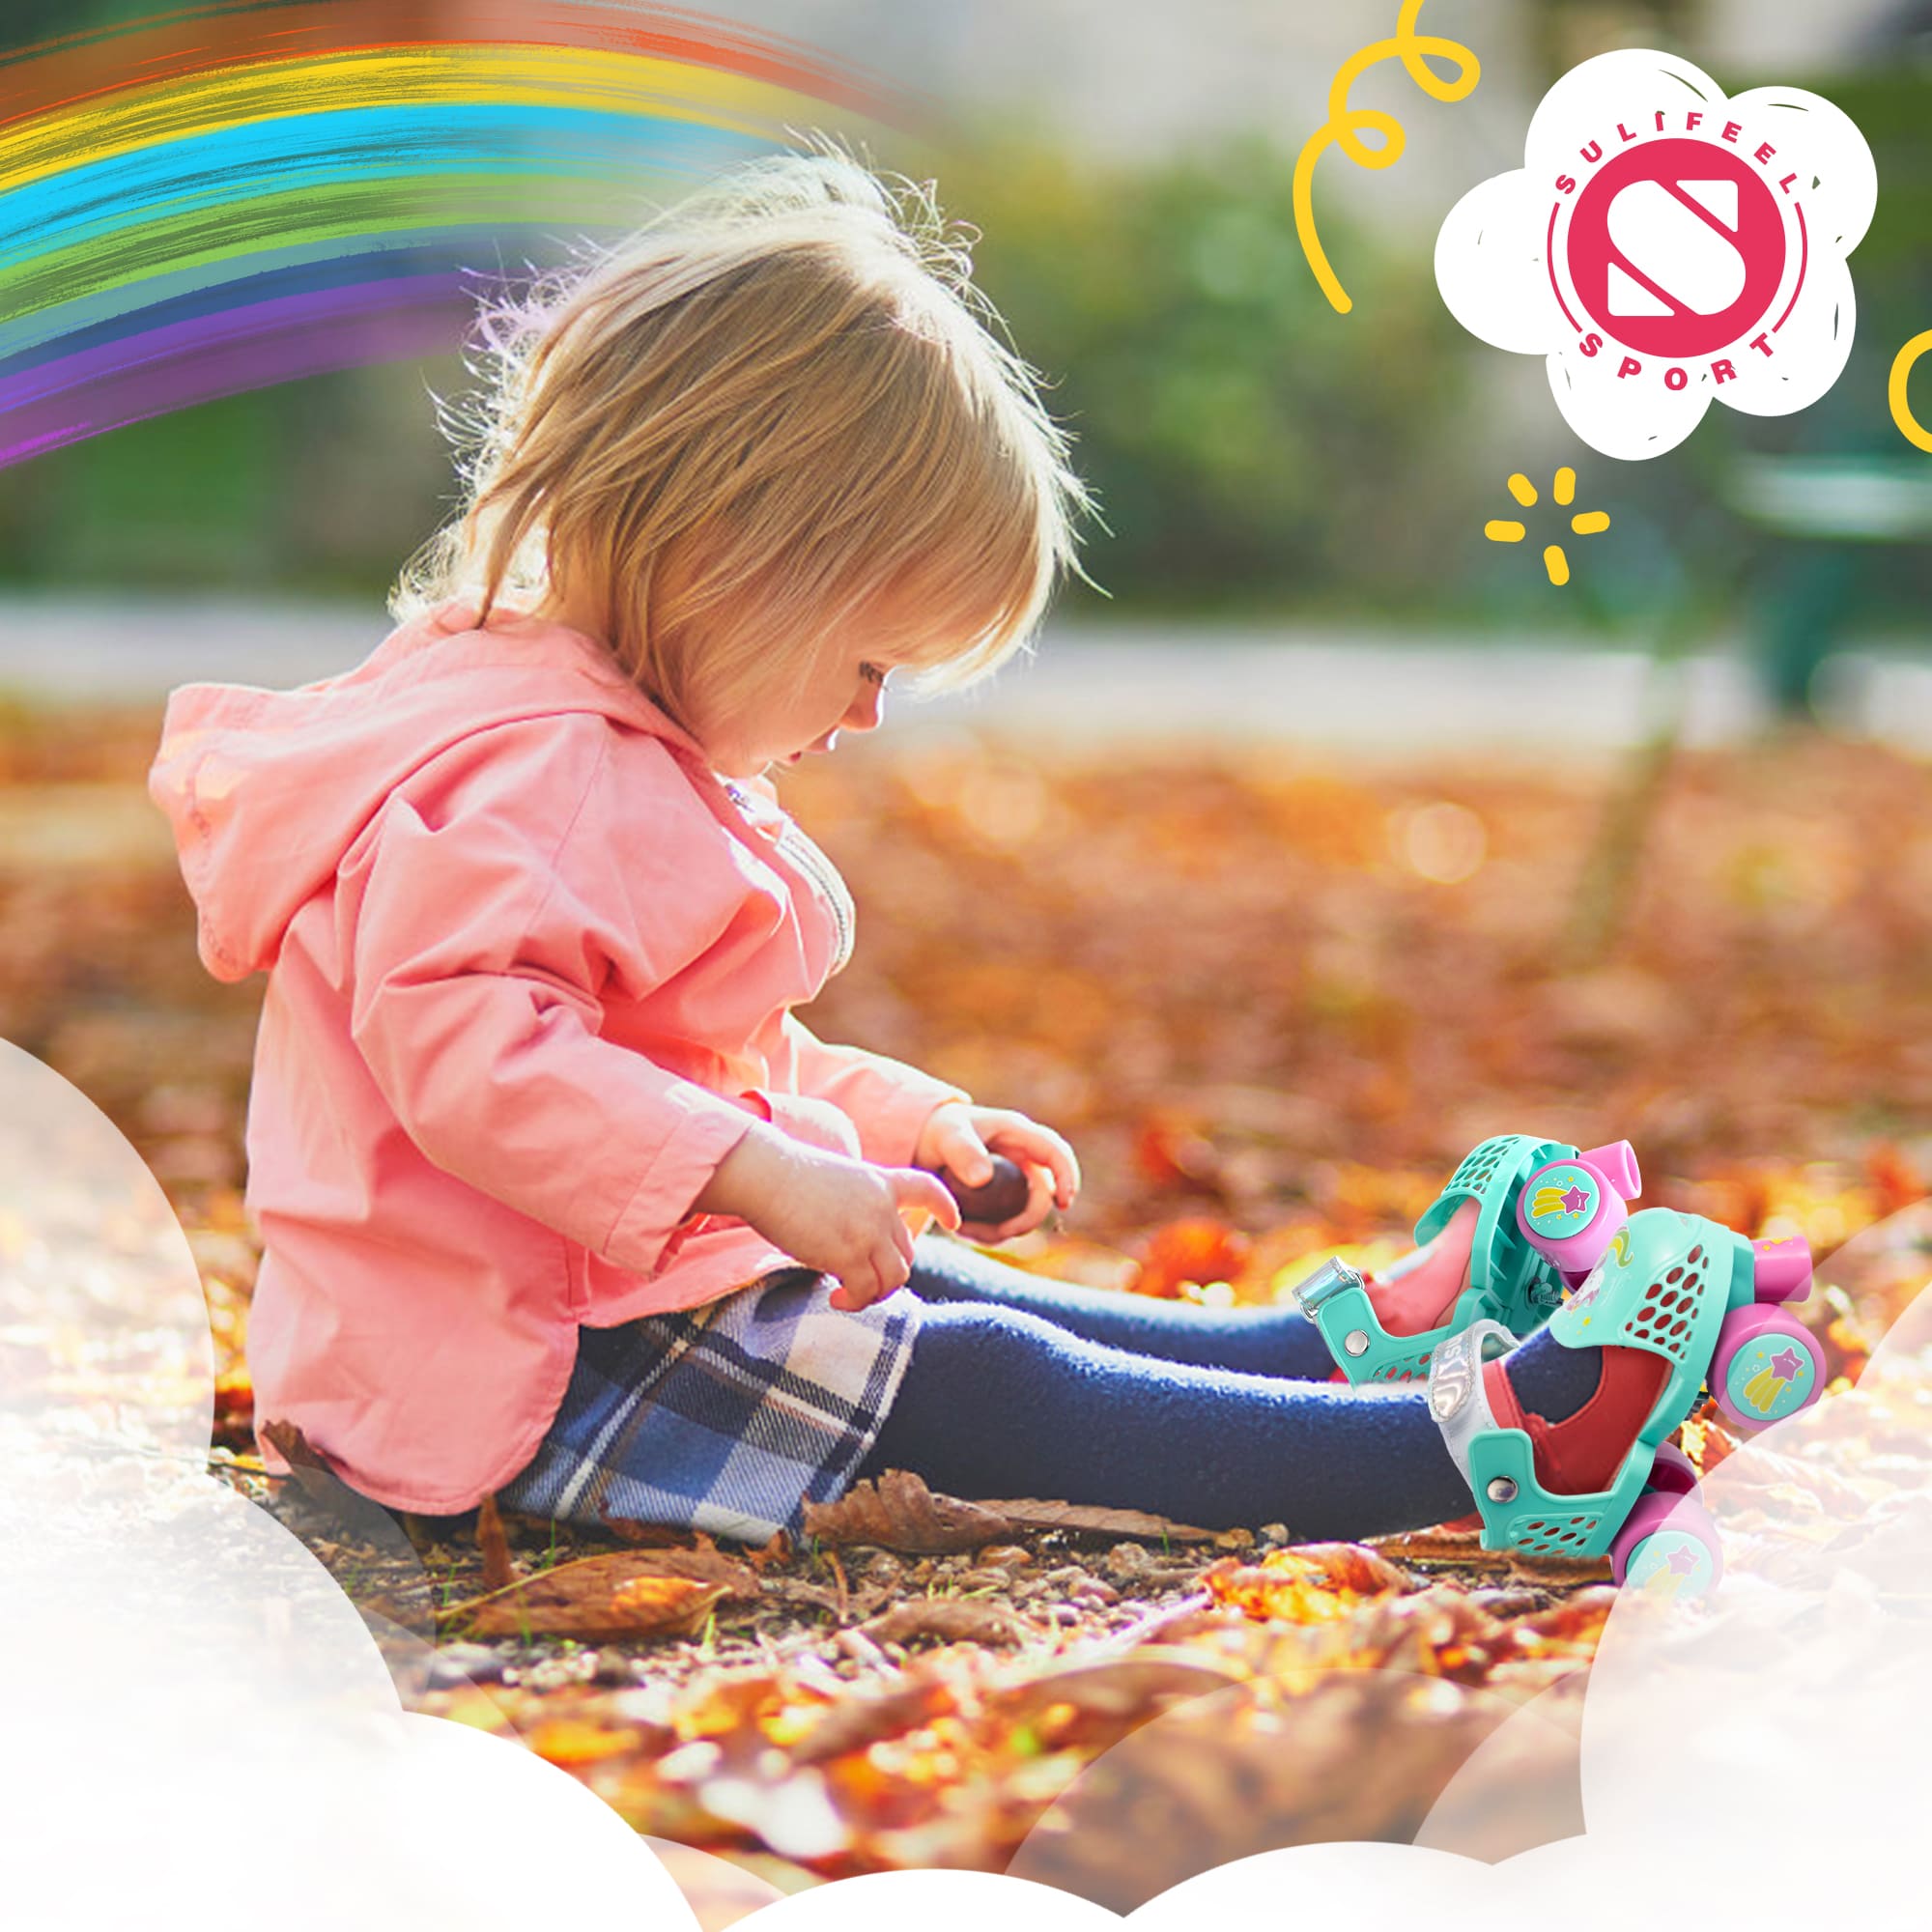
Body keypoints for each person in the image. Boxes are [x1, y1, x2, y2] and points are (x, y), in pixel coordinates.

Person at [148, 144, 1666, 1551]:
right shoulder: (530, 770)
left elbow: (677, 1058)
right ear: (733, 561)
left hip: (571, 1308)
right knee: (985, 1382)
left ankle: (1334, 1357)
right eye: (869, 662)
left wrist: (898, 1129)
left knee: (942, 1284)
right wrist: (756, 1170)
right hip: (517, 1383)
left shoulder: (574, 734)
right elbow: (472, 1058)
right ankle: (1492, 1448)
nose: (870, 714)